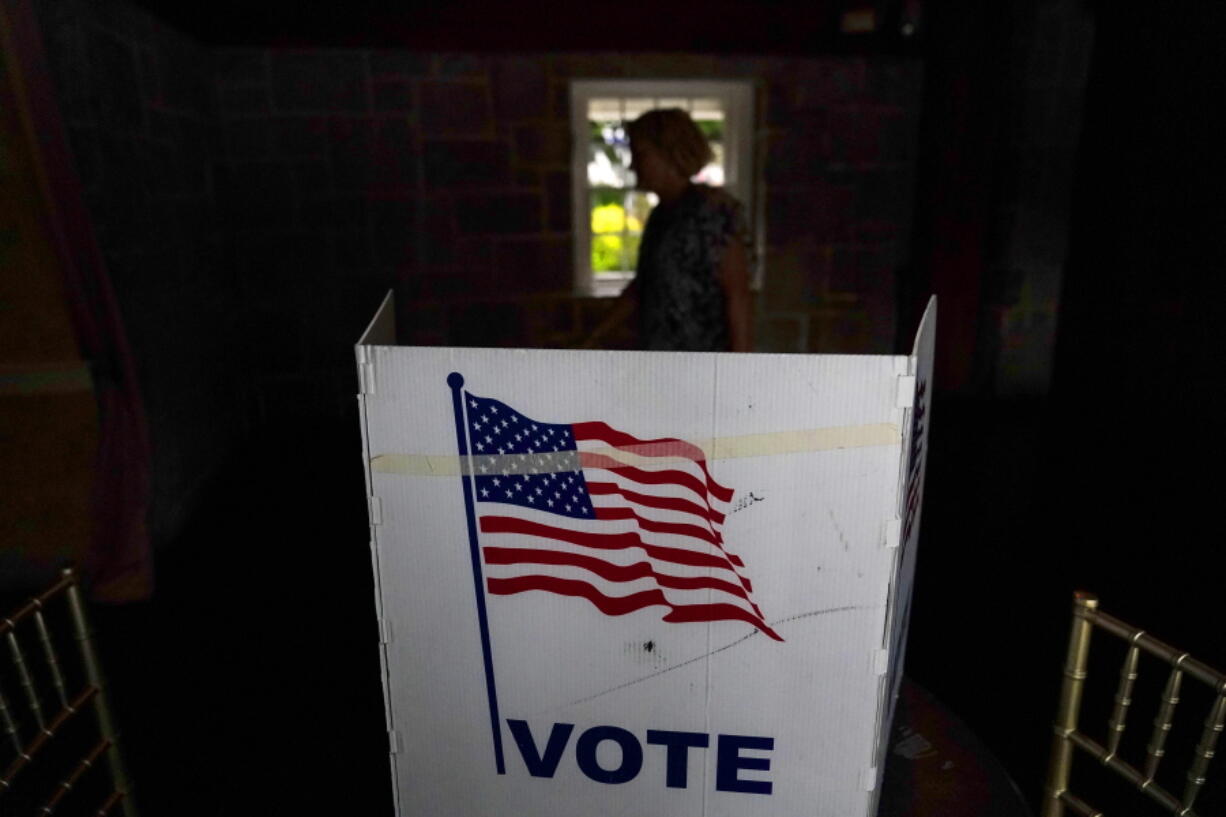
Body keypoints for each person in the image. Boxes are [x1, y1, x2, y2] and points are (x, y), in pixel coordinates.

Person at [584, 108, 753, 352]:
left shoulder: (713, 213)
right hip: (661, 362)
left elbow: (738, 297)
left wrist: (741, 371)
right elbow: (644, 286)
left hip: (703, 364)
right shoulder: (662, 216)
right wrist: (593, 336)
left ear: (670, 154)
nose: (633, 165)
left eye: (640, 154)